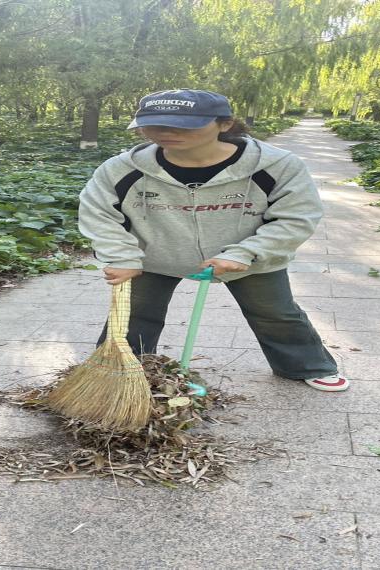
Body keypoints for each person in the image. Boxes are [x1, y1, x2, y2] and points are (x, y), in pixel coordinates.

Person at [77, 88, 349, 392]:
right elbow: (97, 213)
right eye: (153, 124)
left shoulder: (276, 165)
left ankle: (307, 365)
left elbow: (296, 217)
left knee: (275, 313)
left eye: (182, 125)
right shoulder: (122, 168)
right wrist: (121, 256)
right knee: (133, 314)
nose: (165, 133)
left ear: (224, 123)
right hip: (151, 257)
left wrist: (246, 252)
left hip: (245, 257)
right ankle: (117, 371)